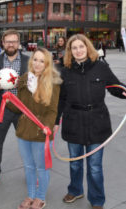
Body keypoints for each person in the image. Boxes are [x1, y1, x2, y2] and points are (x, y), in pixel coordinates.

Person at [54, 34, 126, 209]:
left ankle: (97, 200)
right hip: (73, 122)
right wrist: (56, 121)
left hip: (97, 122)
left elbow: (115, 87)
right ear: (70, 51)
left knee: (94, 166)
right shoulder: (65, 70)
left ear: (88, 47)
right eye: (74, 48)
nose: (78, 50)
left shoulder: (101, 67)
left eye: (81, 46)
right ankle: (75, 189)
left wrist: (124, 92)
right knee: (75, 162)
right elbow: (61, 99)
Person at [6, 48, 62, 209]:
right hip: (24, 130)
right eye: (35, 59)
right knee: (29, 166)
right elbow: (20, 108)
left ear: (47, 64)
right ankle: (30, 195)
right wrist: (9, 100)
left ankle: (41, 197)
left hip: (41, 130)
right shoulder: (24, 79)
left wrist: (48, 126)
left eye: (42, 61)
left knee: (42, 167)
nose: (37, 63)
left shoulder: (53, 81)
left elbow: (53, 110)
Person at [0, 29, 29, 188]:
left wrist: (23, 84)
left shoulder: (27, 61)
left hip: (22, 108)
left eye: (14, 41)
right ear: (3, 43)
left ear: (19, 43)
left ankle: (30, 171)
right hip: (2, 108)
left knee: (27, 142)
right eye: (8, 41)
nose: (11, 44)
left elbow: (34, 84)